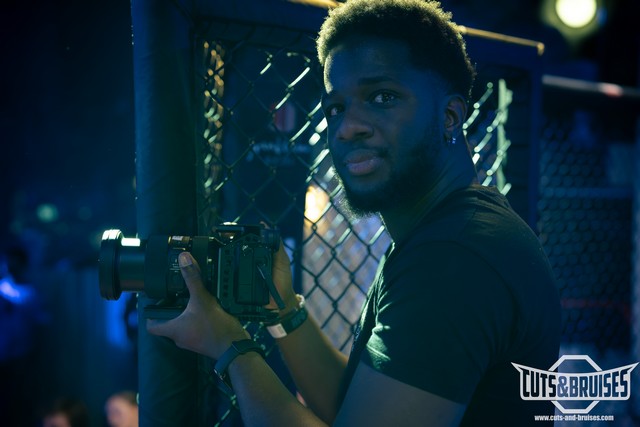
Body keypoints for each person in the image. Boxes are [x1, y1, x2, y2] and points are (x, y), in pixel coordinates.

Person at [147, 0, 561, 425]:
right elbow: (358, 409)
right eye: (336, 108)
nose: (347, 127)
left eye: (382, 97)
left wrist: (230, 346)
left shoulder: (454, 256)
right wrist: (283, 310)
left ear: (450, 116)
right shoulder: (448, 233)